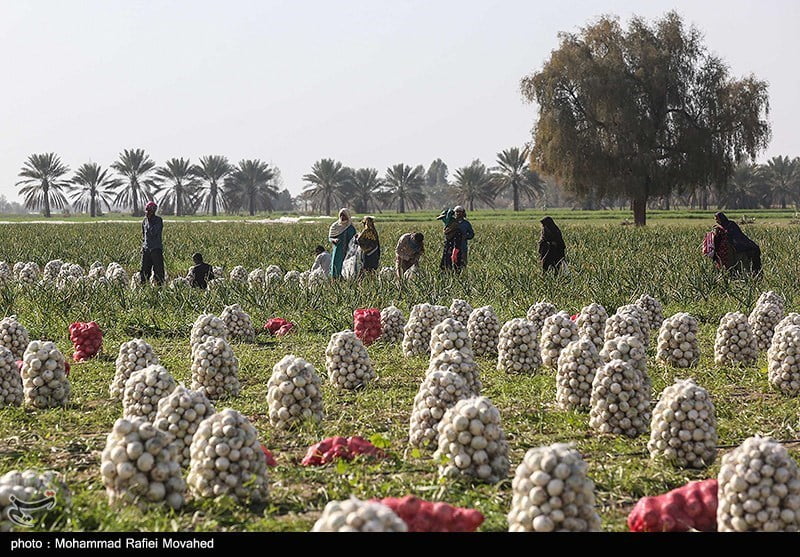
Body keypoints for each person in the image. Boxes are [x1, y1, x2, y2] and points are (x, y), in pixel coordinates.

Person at [139, 201, 165, 285]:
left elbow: (153, 232)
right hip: (146, 250)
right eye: (146, 210)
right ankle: (143, 287)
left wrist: (150, 221)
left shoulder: (158, 220)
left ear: (153, 211)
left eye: (149, 211)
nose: (147, 212)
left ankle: (159, 288)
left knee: (158, 271)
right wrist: (143, 246)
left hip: (156, 249)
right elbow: (144, 235)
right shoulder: (144, 221)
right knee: (144, 271)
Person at [328, 208, 356, 278]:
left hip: (348, 252)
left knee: (347, 266)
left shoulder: (350, 228)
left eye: (344, 216)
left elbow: (354, 239)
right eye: (341, 216)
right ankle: (334, 280)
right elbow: (330, 238)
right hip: (338, 251)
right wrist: (333, 240)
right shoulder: (335, 226)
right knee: (336, 265)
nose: (342, 217)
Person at [437, 207, 463, 271]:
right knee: (444, 268)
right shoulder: (448, 230)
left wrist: (454, 254)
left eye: (443, 218)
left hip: (454, 254)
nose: (443, 220)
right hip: (447, 252)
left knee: (454, 269)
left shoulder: (456, 229)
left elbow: (457, 243)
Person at [452, 205, 474, 270]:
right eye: (456, 212)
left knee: (463, 264)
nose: (458, 213)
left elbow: (471, 234)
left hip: (463, 247)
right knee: (453, 264)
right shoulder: (452, 223)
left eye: (460, 212)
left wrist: (465, 236)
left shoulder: (466, 224)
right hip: (453, 247)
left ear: (463, 213)